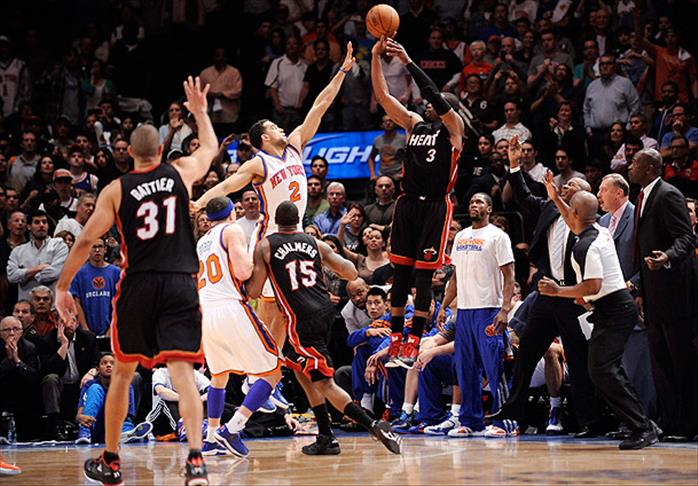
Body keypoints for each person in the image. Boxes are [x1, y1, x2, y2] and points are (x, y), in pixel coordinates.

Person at [55, 77, 219, 486]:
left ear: (128, 153)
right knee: (183, 372)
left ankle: (111, 462)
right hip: (180, 282)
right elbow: (210, 149)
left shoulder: (115, 189)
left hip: (139, 284)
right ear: (161, 150)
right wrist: (200, 111)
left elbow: (86, 240)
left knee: (122, 373)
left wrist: (62, 287)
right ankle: (196, 460)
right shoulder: (180, 173)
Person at [193, 43, 356, 348]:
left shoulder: (295, 145)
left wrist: (342, 72)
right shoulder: (259, 163)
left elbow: (320, 105)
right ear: (264, 137)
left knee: (289, 311)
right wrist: (200, 202)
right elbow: (228, 186)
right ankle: (255, 363)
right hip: (270, 238)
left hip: (297, 232)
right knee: (269, 310)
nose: (281, 127)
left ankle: (271, 367)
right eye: (274, 126)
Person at [247, 201, 401, 455]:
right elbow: (350, 272)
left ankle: (373, 426)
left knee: (325, 382)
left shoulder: (265, 246)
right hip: (325, 311)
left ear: (276, 221)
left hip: (300, 318)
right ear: (298, 221)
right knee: (299, 368)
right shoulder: (314, 243)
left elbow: (254, 290)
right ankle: (326, 436)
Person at [489, 136, 602, 436]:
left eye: (571, 186)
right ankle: (512, 413)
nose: (564, 188)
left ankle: (587, 420)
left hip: (575, 298)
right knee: (526, 352)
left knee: (578, 359)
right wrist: (514, 165)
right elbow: (523, 196)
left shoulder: (592, 225)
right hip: (547, 294)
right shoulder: (548, 209)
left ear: (584, 199)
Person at [538, 184, 659, 450]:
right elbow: (572, 218)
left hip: (614, 309)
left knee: (602, 369)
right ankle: (644, 423)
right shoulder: (599, 230)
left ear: (577, 213)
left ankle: (641, 427)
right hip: (614, 308)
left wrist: (558, 291)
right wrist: (556, 198)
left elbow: (593, 286)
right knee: (605, 369)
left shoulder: (586, 245)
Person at [371, 37, 465, 368]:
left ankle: (414, 339)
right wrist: (375, 59)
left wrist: (408, 61)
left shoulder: (454, 129)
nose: (427, 105)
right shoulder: (413, 124)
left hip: (435, 206)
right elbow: (383, 97)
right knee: (401, 272)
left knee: (424, 276)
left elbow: (435, 95)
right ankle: (397, 338)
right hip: (408, 203)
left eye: (434, 103)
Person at [196, 197, 284, 458]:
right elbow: (244, 272)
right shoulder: (232, 230)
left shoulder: (202, 241)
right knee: (273, 370)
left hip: (207, 312)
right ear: (232, 213)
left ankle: (211, 439)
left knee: (219, 376)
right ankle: (233, 428)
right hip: (231, 307)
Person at [628, 148, 698, 440]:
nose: (630, 166)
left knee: (682, 361)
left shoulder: (668, 194)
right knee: (662, 364)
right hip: (654, 294)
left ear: (650, 168)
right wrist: (642, 291)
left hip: (676, 294)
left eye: (635, 162)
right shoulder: (643, 196)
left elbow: (686, 237)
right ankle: (671, 423)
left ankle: (689, 425)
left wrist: (667, 256)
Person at [438, 193, 516, 437]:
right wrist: (443, 305)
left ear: (489, 209)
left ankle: (505, 421)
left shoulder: (498, 236)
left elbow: (509, 275)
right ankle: (471, 421)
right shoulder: (461, 236)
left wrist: (505, 309)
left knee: (495, 367)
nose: (474, 205)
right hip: (464, 311)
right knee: (466, 369)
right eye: (471, 202)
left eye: (479, 202)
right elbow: (455, 277)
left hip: (489, 309)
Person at [7, 210, 68, 301]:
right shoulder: (18, 251)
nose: (41, 225)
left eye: (44, 222)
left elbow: (54, 273)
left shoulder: (59, 246)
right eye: (37, 222)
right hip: (27, 305)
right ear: (28, 227)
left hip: (52, 305)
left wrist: (24, 275)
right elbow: (11, 276)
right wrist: (37, 269)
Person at [69, 237, 120, 337]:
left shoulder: (116, 272)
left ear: (105, 249)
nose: (97, 250)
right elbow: (76, 303)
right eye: (94, 247)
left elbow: (120, 302)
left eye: (100, 246)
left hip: (111, 330)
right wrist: (85, 329)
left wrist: (111, 328)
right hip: (87, 331)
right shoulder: (79, 273)